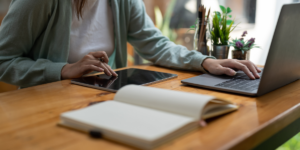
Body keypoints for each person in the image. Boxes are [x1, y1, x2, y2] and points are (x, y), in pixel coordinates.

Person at [0, 0, 261, 88]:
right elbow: (3, 59)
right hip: (46, 105)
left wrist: (204, 61)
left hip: (102, 99)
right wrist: (61, 70)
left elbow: (155, 44)